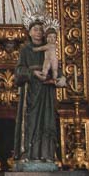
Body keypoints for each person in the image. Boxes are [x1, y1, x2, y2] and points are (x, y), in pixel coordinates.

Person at [13, 16, 60, 164]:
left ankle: (46, 153)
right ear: (30, 32)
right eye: (35, 29)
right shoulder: (26, 50)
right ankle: (28, 153)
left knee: (47, 121)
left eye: (41, 29)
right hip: (31, 91)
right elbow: (19, 71)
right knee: (31, 122)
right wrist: (32, 73)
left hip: (46, 91)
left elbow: (56, 65)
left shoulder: (49, 47)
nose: (39, 32)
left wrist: (60, 78)